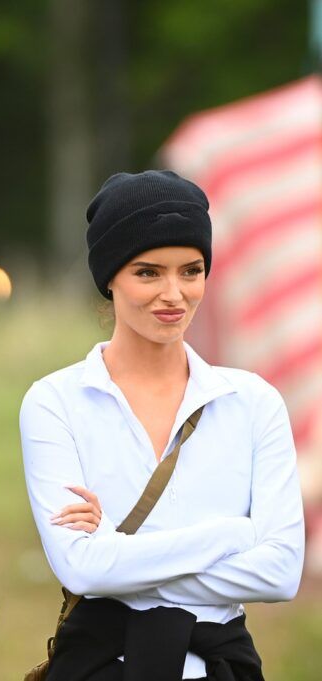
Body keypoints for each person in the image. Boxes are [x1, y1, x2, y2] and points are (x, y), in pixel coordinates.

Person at [20, 170, 304, 680]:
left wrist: (116, 553)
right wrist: (232, 534)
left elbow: (281, 573)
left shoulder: (253, 402)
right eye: (148, 272)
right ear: (109, 276)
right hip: (100, 668)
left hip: (222, 668)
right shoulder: (55, 402)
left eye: (191, 271)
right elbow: (81, 569)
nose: (174, 293)